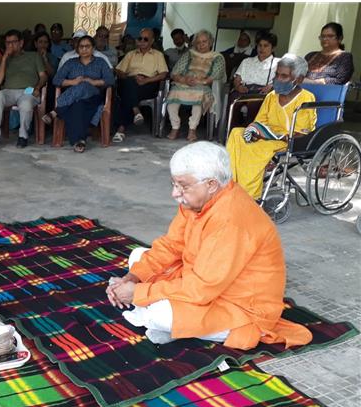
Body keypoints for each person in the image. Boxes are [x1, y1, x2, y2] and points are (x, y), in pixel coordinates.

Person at [106, 141, 312, 350]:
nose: (175, 194)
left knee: (161, 314)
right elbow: (171, 245)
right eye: (174, 184)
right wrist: (133, 277)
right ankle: (173, 323)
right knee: (138, 256)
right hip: (202, 282)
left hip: (239, 306)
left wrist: (139, 293)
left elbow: (201, 288)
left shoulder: (231, 219)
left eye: (183, 186)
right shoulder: (197, 201)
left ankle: (169, 322)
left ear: (211, 184)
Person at [225, 55, 316, 200]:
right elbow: (259, 121)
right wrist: (255, 130)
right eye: (277, 75)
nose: (278, 79)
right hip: (266, 135)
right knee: (236, 133)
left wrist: (268, 135)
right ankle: (232, 183)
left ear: (298, 79)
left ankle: (249, 195)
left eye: (284, 76)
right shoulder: (272, 96)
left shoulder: (306, 98)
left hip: (286, 140)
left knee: (254, 150)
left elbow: (301, 132)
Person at [48, 35, 115, 153]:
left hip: (94, 96)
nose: (84, 49)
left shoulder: (100, 62)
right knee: (78, 105)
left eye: (87, 46)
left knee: (84, 84)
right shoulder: (70, 63)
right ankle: (80, 140)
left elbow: (110, 80)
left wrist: (93, 82)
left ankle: (57, 110)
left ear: (93, 47)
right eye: (81, 47)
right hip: (75, 100)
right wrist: (73, 82)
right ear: (77, 49)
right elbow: (56, 80)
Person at [0, 29, 48, 151]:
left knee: (26, 103)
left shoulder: (33, 56)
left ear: (21, 43)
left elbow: (43, 76)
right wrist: (4, 59)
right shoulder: (3, 59)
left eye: (13, 42)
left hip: (28, 90)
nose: (10, 45)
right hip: (9, 91)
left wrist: (37, 88)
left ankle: (23, 136)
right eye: (7, 42)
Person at [166, 29, 226, 142]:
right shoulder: (189, 54)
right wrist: (184, 79)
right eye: (198, 42)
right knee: (172, 99)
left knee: (197, 100)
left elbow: (214, 76)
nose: (201, 45)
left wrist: (199, 81)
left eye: (204, 42)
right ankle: (175, 127)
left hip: (203, 86)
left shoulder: (217, 57)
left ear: (210, 42)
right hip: (184, 83)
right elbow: (175, 72)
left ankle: (192, 129)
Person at [113, 28, 168, 143]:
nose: (142, 41)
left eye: (146, 39)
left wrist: (147, 80)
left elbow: (163, 74)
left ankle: (122, 128)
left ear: (152, 41)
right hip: (131, 81)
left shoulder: (158, 55)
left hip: (149, 84)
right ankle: (135, 111)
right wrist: (130, 77)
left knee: (126, 94)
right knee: (128, 84)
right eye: (140, 38)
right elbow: (119, 70)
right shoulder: (130, 54)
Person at [228, 31, 280, 128]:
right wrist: (238, 86)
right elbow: (237, 78)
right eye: (259, 45)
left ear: (273, 48)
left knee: (254, 104)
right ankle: (232, 133)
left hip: (263, 91)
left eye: (266, 46)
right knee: (233, 99)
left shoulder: (278, 63)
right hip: (244, 90)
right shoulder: (247, 61)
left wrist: (272, 86)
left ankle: (249, 134)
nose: (262, 48)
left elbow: (282, 80)